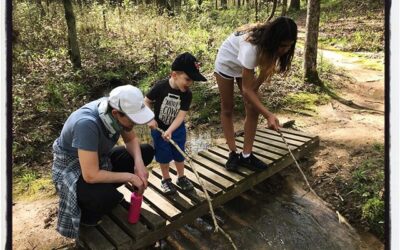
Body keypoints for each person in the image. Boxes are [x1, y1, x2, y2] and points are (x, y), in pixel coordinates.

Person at [52, 85, 155, 238]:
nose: (135, 124)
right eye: (133, 120)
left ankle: (104, 191)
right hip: (73, 168)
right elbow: (91, 175)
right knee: (107, 198)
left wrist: (138, 165)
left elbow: (131, 139)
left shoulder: (113, 109)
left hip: (97, 159)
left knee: (145, 151)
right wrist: (131, 177)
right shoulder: (87, 124)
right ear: (116, 113)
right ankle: (87, 216)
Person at [214, 16, 298, 171]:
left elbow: (256, 82)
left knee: (252, 108)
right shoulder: (251, 47)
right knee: (227, 108)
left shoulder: (273, 46)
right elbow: (247, 90)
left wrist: (254, 93)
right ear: (274, 40)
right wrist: (268, 115)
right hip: (227, 62)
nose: (284, 50)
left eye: (288, 46)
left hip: (245, 67)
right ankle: (233, 153)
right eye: (282, 46)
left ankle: (246, 155)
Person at [144, 52, 207, 195]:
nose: (189, 83)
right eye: (187, 79)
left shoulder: (187, 94)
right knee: (163, 154)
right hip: (159, 128)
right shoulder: (161, 87)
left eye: (192, 81)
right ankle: (166, 180)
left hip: (177, 129)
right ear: (174, 75)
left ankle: (181, 177)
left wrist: (171, 130)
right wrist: (149, 118)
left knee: (179, 153)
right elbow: (146, 101)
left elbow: (181, 115)